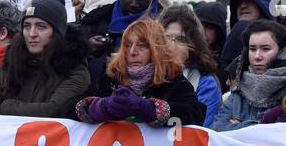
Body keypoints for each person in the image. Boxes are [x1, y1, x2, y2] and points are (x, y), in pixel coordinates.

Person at [74, 17, 205, 127]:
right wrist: (102, 107)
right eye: (128, 45)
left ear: (157, 50)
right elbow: (70, 110)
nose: (133, 52)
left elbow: (196, 115)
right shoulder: (112, 78)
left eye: (142, 46)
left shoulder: (173, 81)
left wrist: (147, 108)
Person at [0, 0, 90, 117]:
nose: (32, 34)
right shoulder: (12, 63)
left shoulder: (75, 71)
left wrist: (6, 106)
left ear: (58, 32)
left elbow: (53, 110)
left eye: (41, 27)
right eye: (26, 26)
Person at [213, 19, 286, 131]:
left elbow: (285, 134)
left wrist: (237, 127)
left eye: (265, 49)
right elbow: (217, 129)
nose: (257, 56)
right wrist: (258, 126)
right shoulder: (237, 95)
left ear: (282, 52)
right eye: (252, 49)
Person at [160, 5, 222, 127]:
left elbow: (202, 133)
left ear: (194, 44)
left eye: (180, 39)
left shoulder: (206, 84)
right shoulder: (143, 76)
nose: (172, 46)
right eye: (166, 38)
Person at [219, 0, 276, 69]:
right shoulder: (238, 29)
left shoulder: (283, 37)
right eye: (239, 2)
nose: (243, 5)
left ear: (261, 5)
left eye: (249, 0)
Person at [195, 1, 228, 70]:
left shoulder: (225, 58)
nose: (203, 32)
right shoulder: (188, 54)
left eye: (210, 28)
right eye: (201, 26)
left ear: (219, 31)